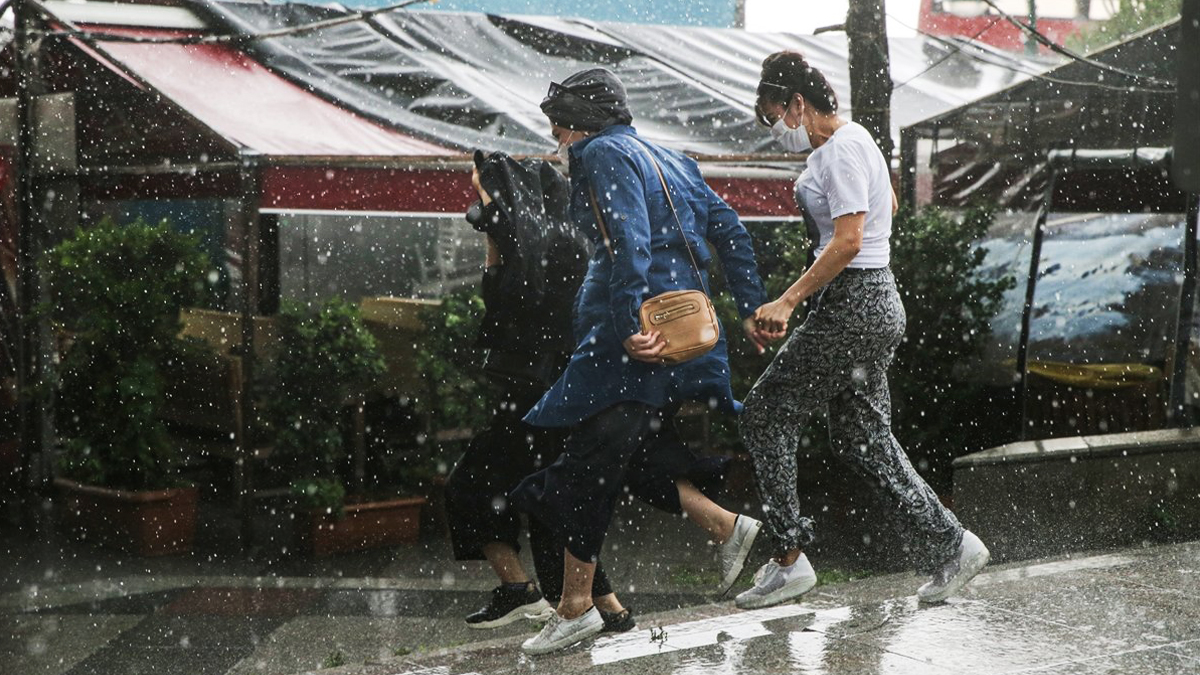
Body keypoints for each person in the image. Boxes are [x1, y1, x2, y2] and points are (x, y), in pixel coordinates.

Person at [511, 68, 772, 655]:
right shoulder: (669, 156)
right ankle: (730, 530)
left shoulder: (601, 153)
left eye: (558, 127)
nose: (556, 139)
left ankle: (577, 606)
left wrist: (629, 323)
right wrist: (752, 305)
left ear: (574, 124)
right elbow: (729, 228)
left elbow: (627, 240)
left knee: (579, 462)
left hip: (627, 342)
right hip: (682, 334)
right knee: (629, 456)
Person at [734, 51, 990, 611]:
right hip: (874, 300)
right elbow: (888, 204)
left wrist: (787, 299)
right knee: (861, 438)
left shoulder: (839, 149)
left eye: (777, 115)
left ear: (798, 103)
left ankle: (788, 560)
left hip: (854, 302)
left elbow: (850, 240)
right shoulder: (856, 140)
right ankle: (954, 545)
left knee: (765, 412)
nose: (778, 130)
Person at [445, 150, 635, 633]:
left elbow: (500, 309)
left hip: (533, 393)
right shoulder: (562, 240)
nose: (478, 208)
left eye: (483, 197)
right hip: (559, 389)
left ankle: (532, 593)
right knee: (548, 495)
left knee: (480, 489)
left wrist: (493, 228)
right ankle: (604, 606)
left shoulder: (530, 258)